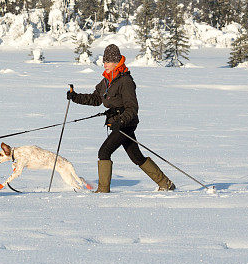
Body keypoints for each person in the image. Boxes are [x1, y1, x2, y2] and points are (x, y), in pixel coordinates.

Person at [67, 43, 175, 193]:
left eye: (108, 61)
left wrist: (121, 121)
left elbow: (132, 108)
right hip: (117, 122)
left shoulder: (126, 81)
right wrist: (75, 97)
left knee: (104, 152)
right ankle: (166, 184)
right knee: (136, 157)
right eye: (104, 61)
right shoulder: (106, 81)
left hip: (126, 123)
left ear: (117, 62)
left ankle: (103, 191)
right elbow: (96, 99)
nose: (104, 64)